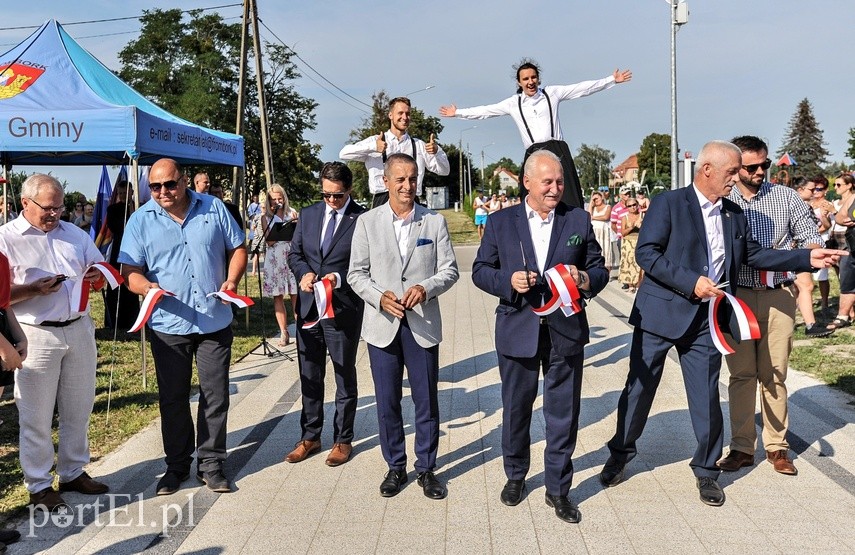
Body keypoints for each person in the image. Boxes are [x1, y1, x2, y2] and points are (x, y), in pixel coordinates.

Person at [599, 141, 843, 507]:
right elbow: (648, 253)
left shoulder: (733, 213)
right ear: (707, 170)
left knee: (706, 396)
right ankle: (620, 453)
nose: (737, 179)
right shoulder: (669, 203)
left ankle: (706, 471)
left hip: (705, 320)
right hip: (661, 315)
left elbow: (754, 255)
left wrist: (807, 257)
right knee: (639, 390)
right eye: (732, 172)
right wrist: (690, 281)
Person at [472, 150, 608, 524]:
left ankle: (558, 489)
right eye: (548, 182)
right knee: (516, 409)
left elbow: (597, 268)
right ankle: (515, 476)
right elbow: (480, 270)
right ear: (527, 181)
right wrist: (508, 283)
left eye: (560, 182)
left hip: (565, 330)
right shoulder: (501, 222)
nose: (555, 189)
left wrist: (586, 280)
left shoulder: (577, 218)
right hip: (519, 329)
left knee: (563, 414)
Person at [118, 158, 246, 495]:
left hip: (213, 319)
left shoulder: (214, 207)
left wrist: (232, 281)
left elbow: (238, 248)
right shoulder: (140, 220)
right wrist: (146, 287)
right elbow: (129, 270)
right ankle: (176, 466)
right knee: (172, 398)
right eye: (155, 187)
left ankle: (212, 464)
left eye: (169, 184)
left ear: (184, 180)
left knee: (215, 395)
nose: (162, 192)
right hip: (168, 324)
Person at [347, 153, 459, 499]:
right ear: (385, 182)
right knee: (387, 401)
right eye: (400, 179)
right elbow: (356, 274)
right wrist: (379, 297)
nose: (407, 186)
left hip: (422, 323)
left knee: (426, 400)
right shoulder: (367, 222)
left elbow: (450, 270)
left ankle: (426, 468)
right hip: (383, 324)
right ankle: (395, 466)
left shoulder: (434, 222)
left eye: (412, 179)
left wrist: (426, 287)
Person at [716, 136, 827, 478]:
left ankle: (777, 446)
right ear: (736, 166)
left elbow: (812, 235)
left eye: (764, 164)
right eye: (752, 166)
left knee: (775, 373)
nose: (761, 171)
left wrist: (812, 247)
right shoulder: (723, 199)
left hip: (779, 294)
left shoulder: (786, 197)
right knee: (741, 374)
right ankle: (741, 447)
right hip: (738, 298)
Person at [0, 174, 109, 511]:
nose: (54, 214)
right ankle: (39, 485)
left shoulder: (74, 234)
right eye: (47, 208)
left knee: (79, 405)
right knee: (36, 412)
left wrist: (97, 275)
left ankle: (73, 471)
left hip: (78, 327)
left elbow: (101, 270)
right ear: (25, 204)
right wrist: (33, 289)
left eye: (59, 207)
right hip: (34, 332)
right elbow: (1, 295)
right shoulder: (5, 239)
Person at [440, 60, 632, 208]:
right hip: (533, 152)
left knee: (569, 197)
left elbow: (582, 88)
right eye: (526, 79)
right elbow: (485, 111)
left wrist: (611, 80)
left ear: (538, 78)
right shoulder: (513, 103)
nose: (530, 82)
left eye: (533, 77)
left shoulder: (552, 93)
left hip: (557, 150)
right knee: (531, 199)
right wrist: (457, 113)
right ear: (519, 82)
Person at [284, 162, 366, 467]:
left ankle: (343, 440)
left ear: (349, 190)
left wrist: (337, 279)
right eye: (327, 195)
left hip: (342, 309)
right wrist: (304, 273)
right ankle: (310, 436)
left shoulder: (362, 219)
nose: (331, 201)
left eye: (338, 196)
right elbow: (296, 254)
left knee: (344, 375)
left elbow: (364, 262)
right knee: (310, 375)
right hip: (308, 309)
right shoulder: (308, 214)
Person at [340, 96, 450, 208]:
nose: (405, 117)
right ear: (390, 115)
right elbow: (344, 154)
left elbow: (444, 170)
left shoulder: (419, 145)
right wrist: (373, 147)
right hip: (382, 200)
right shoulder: (375, 141)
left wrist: (436, 152)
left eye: (407, 114)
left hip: (411, 199)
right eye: (400, 113)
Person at [788, 177, 832, 337]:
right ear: (799, 190)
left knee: (798, 288)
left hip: (802, 249)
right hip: (798, 251)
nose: (815, 193)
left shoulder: (803, 206)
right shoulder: (795, 205)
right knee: (804, 287)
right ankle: (809, 324)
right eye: (811, 189)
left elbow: (819, 227)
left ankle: (799, 323)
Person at [261, 184, 299, 346]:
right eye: (273, 199)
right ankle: (284, 332)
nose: (277, 202)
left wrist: (293, 224)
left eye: (279, 198)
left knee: (295, 294)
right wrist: (283, 229)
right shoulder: (265, 218)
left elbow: (299, 235)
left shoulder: (292, 213)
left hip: (290, 256)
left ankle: (300, 330)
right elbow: (269, 241)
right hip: (275, 259)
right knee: (278, 295)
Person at [104, 180, 140, 331]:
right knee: (115, 285)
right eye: (120, 193)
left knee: (132, 284)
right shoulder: (112, 209)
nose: (123, 196)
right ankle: (113, 322)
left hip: (135, 250)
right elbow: (114, 227)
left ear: (132, 192)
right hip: (119, 249)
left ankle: (132, 320)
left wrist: (133, 210)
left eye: (126, 193)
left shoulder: (139, 207)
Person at [828, 174, 855, 330]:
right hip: (851, 246)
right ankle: (842, 316)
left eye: (839, 185)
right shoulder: (852, 198)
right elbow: (839, 218)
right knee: (847, 281)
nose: (836, 188)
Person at [810, 176, 835, 316]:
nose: (815, 192)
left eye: (819, 189)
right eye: (814, 189)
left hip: (822, 239)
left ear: (825, 190)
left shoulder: (827, 205)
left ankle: (824, 301)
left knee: (821, 274)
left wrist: (813, 231)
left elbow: (828, 225)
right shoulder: (809, 203)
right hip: (807, 240)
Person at [618, 197, 643, 292]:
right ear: (626, 207)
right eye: (629, 206)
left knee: (639, 263)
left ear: (637, 205)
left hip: (640, 241)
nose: (632, 207)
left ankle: (639, 284)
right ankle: (630, 284)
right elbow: (623, 233)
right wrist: (632, 227)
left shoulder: (643, 215)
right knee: (628, 263)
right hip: (628, 243)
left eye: (634, 205)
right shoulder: (625, 217)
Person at [610, 186, 632, 285]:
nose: (628, 195)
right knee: (624, 259)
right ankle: (626, 281)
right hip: (622, 237)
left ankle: (635, 279)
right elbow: (613, 224)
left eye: (629, 193)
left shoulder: (633, 205)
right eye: (626, 194)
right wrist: (620, 232)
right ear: (620, 195)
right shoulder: (616, 208)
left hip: (634, 237)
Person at [589, 191, 612, 274]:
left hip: (603, 231)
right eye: (594, 199)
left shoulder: (607, 207)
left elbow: (605, 217)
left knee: (605, 250)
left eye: (596, 198)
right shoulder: (593, 208)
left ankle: (607, 271)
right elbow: (588, 216)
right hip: (595, 231)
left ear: (601, 197)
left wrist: (594, 217)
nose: (595, 200)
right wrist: (591, 204)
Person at [247, 194, 262, 276]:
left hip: (261, 226)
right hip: (254, 224)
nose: (256, 199)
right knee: (253, 240)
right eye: (255, 198)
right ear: (253, 198)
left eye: (257, 197)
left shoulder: (260, 205)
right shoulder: (251, 206)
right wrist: (254, 219)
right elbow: (250, 215)